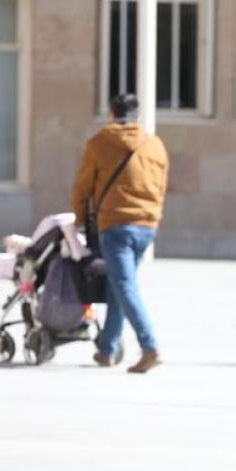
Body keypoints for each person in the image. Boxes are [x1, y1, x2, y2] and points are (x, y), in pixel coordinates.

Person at [71, 93, 169, 374]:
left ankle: (149, 346)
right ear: (137, 115)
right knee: (118, 283)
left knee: (125, 285)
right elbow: (161, 185)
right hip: (147, 226)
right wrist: (153, 215)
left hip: (115, 225)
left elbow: (83, 186)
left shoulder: (100, 143)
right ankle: (107, 349)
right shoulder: (155, 145)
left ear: (112, 114)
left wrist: (79, 218)